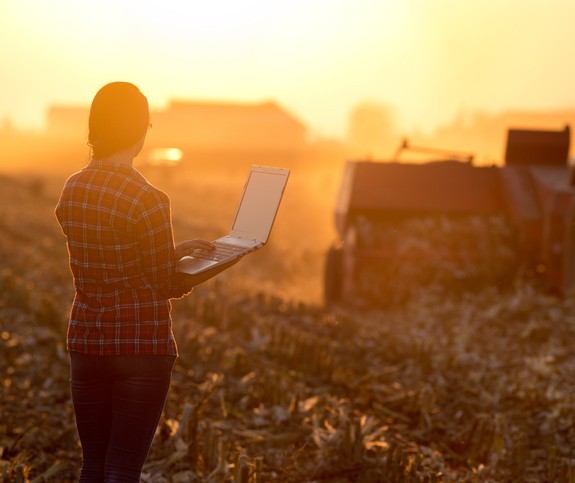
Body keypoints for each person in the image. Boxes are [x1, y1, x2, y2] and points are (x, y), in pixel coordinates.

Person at [55, 81, 217, 482]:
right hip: (139, 347)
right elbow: (163, 282)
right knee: (123, 469)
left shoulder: (72, 189)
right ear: (140, 130)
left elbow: (113, 250)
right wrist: (212, 264)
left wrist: (175, 250)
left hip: (87, 343)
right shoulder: (149, 198)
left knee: (92, 465)